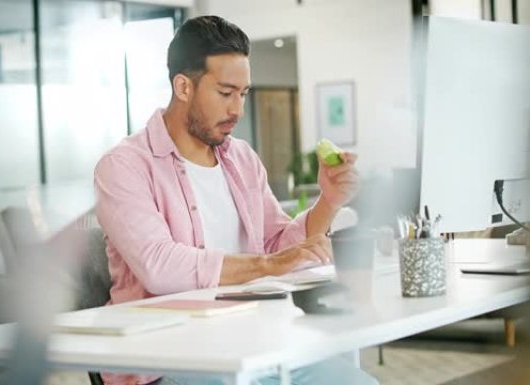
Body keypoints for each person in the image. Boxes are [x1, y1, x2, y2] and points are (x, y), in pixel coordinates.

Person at [95, 15, 375, 385]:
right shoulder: (124, 166)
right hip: (169, 360)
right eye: (226, 93)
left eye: (243, 94)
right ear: (183, 87)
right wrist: (266, 265)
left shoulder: (241, 158)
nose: (238, 110)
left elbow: (277, 246)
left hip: (253, 345)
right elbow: (160, 267)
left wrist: (329, 201)